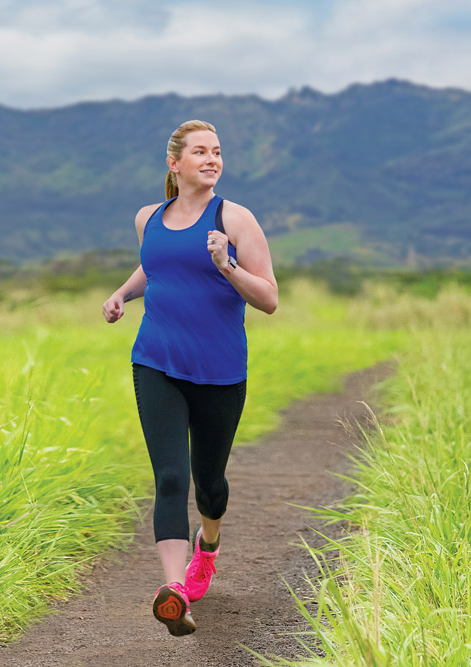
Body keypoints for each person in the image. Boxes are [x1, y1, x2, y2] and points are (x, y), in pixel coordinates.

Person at [102, 119, 277, 636]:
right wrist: (122, 293)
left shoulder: (236, 219)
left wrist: (227, 264)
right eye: (200, 151)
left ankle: (209, 546)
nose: (212, 159)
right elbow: (156, 266)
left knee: (209, 485)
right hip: (155, 360)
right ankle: (174, 590)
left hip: (219, 371)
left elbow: (269, 298)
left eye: (217, 151)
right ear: (174, 163)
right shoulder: (148, 218)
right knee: (171, 478)